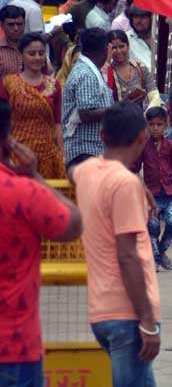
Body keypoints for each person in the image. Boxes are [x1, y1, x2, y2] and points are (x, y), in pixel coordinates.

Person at [72, 102, 161, 387]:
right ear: (142, 139)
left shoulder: (87, 172)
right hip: (127, 313)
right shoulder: (124, 184)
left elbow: (73, 170)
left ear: (102, 136)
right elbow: (127, 256)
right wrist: (147, 320)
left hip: (101, 312)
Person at [0, 99, 81, 387]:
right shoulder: (23, 192)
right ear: (8, 139)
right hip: (15, 348)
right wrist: (35, 176)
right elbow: (73, 224)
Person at [0, 33, 65, 178]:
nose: (37, 58)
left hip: (48, 155)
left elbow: (57, 123)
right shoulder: (9, 84)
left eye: (41, 53)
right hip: (17, 154)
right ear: (21, 55)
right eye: (32, 53)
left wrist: (62, 154)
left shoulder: (54, 85)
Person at [133, 106, 172, 272]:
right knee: (153, 227)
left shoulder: (170, 146)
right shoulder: (142, 146)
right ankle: (155, 259)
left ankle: (161, 252)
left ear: (166, 125)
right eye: (152, 124)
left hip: (168, 193)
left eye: (159, 124)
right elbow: (134, 167)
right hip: (151, 195)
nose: (156, 128)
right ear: (147, 126)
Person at [62, 28, 114, 169]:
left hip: (91, 151)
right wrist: (116, 110)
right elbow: (85, 113)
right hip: (84, 151)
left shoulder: (89, 70)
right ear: (105, 49)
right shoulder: (87, 74)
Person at [106, 30, 161, 109]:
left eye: (121, 46)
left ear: (128, 46)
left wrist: (147, 115)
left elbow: (154, 96)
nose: (118, 51)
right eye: (114, 48)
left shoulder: (141, 69)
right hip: (117, 118)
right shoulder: (108, 72)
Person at [0, 5, 25, 81]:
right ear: (2, 25)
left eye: (19, 24)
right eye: (10, 24)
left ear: (25, 24)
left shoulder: (33, 48)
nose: (16, 28)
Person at [125, 6, 154, 71]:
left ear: (150, 18)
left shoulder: (158, 37)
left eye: (143, 17)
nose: (138, 21)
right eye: (135, 17)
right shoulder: (126, 38)